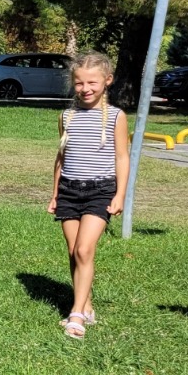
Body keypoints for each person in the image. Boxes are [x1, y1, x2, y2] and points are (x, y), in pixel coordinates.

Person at [47, 52, 129, 340]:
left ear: (107, 81)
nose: (85, 88)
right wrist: (55, 193)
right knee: (74, 252)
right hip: (70, 190)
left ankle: (77, 314)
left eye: (92, 82)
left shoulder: (117, 117)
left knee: (84, 249)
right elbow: (61, 158)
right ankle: (87, 305)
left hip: (100, 190)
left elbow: (122, 157)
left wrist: (120, 195)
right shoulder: (67, 116)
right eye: (79, 83)